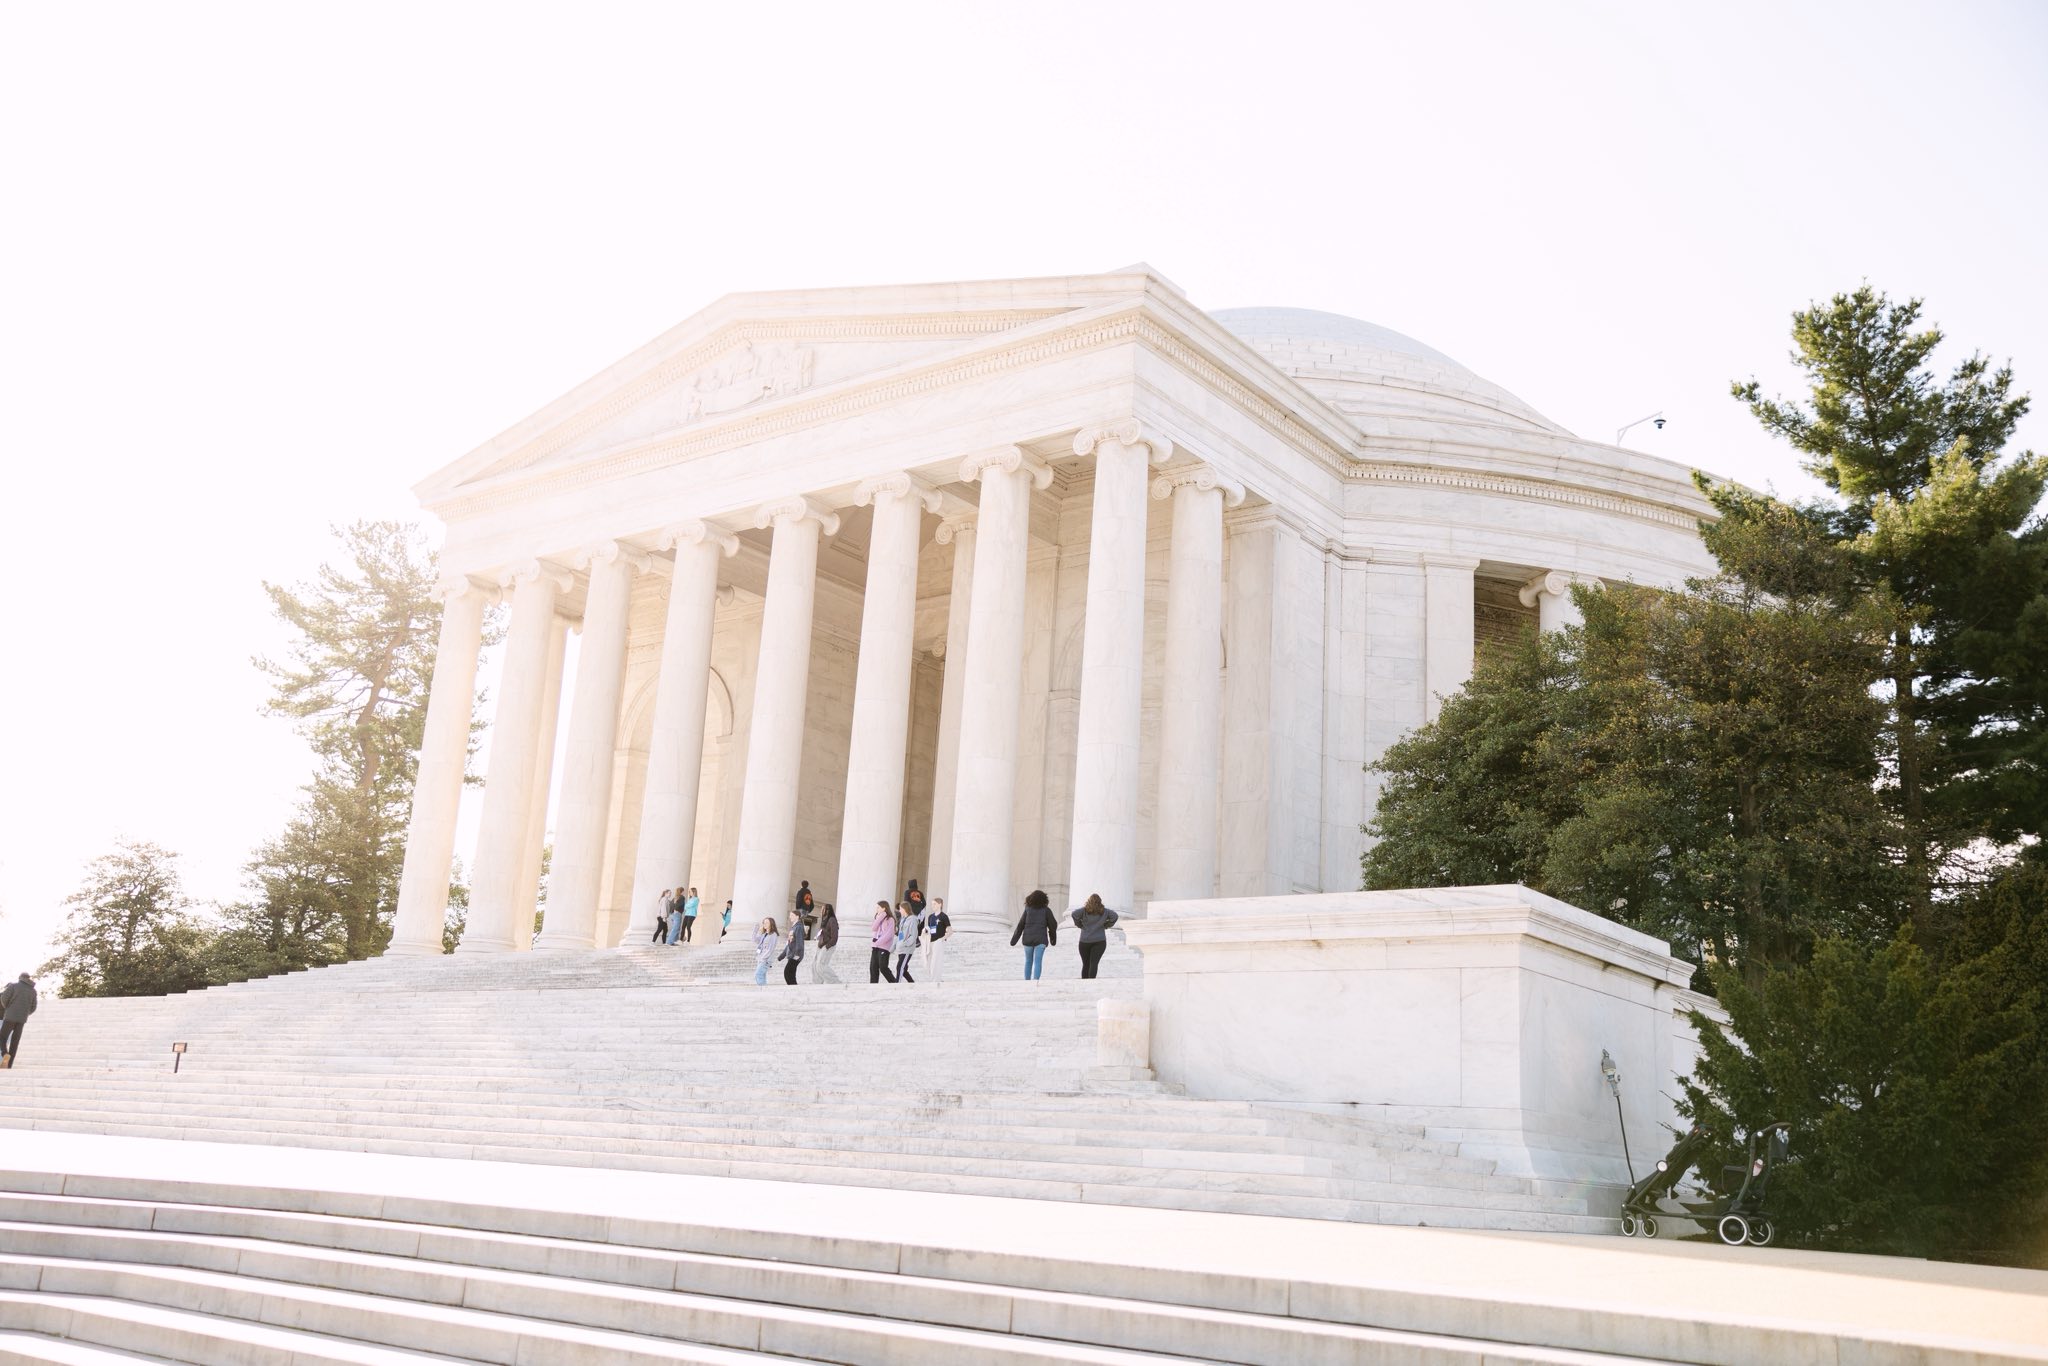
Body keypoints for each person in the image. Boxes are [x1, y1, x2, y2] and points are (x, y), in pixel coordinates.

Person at [1070, 893, 1121, 979]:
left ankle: (1084, 983)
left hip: (1084, 941)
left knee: (1085, 964)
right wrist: (1107, 925)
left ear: (1089, 901)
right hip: (1100, 941)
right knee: (1094, 963)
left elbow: (1074, 914)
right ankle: (1091, 983)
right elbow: (1115, 916)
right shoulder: (1105, 911)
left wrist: (1079, 924)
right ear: (1100, 902)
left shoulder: (1084, 910)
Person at [1011, 889, 1057, 979]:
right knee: (1038, 961)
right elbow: (1053, 925)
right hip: (1041, 940)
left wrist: (1013, 940)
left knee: (1028, 961)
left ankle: (1027, 981)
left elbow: (1020, 925)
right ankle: (1035, 980)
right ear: (1044, 899)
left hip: (1027, 940)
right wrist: (1053, 939)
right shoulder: (1046, 910)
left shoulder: (1027, 909)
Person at [0, 973, 35, 1069]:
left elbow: (3, 998)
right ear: (28, 979)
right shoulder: (33, 991)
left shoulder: (13, 986)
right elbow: (33, 1007)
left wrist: (8, 1008)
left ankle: (4, 1053)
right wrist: (25, 1013)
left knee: (2, 1037)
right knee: (15, 1042)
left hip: (10, 1017)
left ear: (20, 977)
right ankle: (9, 1065)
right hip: (21, 1020)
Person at [920, 897, 950, 986]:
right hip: (930, 941)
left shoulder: (944, 916)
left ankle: (936, 979)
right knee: (929, 961)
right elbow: (930, 928)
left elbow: (950, 931)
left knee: (936, 961)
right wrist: (925, 930)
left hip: (939, 942)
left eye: (934, 904)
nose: (932, 906)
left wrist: (942, 939)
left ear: (940, 904)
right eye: (932, 904)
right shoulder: (930, 917)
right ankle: (933, 978)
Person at [868, 901, 898, 983]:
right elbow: (873, 928)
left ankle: (894, 983)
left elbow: (889, 934)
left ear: (884, 908)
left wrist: (877, 942)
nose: (876, 909)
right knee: (873, 967)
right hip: (875, 947)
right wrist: (880, 917)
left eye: (878, 907)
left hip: (884, 947)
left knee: (883, 968)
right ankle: (873, 986)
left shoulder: (890, 919)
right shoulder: (878, 917)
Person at [892, 901, 921, 984]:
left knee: (899, 967)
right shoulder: (902, 920)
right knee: (903, 969)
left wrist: (905, 943)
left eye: (900, 909)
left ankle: (897, 984)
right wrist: (897, 945)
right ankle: (912, 983)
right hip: (901, 948)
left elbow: (914, 935)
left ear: (905, 909)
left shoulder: (913, 920)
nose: (899, 910)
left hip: (907, 948)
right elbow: (900, 934)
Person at [811, 903, 841, 984]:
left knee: (821, 965)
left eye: (822, 909)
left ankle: (835, 981)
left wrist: (827, 946)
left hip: (828, 946)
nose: (821, 911)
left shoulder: (832, 920)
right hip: (821, 945)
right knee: (814, 965)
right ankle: (817, 983)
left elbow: (835, 937)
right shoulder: (824, 920)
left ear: (827, 910)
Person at [777, 908, 807, 986]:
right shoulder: (793, 928)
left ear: (797, 916)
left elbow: (800, 942)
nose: (790, 917)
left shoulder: (799, 927)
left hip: (796, 954)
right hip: (791, 954)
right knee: (790, 973)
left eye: (792, 915)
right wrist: (781, 956)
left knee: (787, 972)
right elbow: (789, 944)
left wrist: (797, 955)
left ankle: (794, 988)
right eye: (790, 915)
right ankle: (793, 988)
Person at [752, 917, 781, 986]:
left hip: (766, 959)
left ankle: (763, 990)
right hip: (761, 957)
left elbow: (770, 948)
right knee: (762, 975)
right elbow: (754, 939)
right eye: (764, 922)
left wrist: (763, 958)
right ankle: (764, 991)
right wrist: (755, 929)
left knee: (758, 975)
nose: (764, 924)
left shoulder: (773, 935)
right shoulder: (764, 934)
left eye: (767, 922)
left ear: (771, 924)